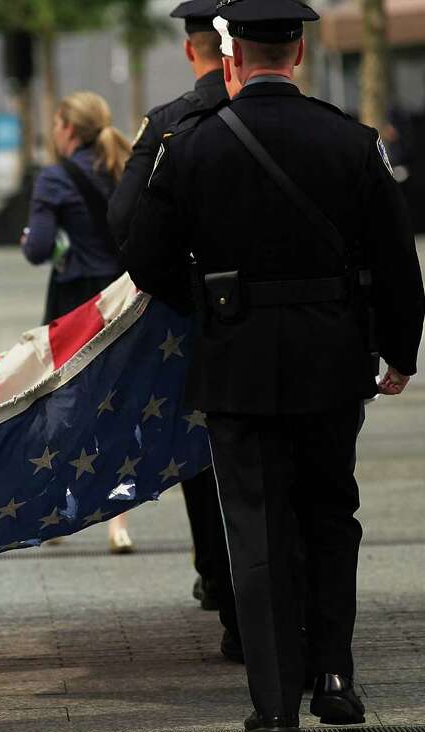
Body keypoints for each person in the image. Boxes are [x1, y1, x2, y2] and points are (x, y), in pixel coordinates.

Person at [124, 0, 425, 732]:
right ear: (296, 55)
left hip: (238, 361)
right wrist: (401, 350)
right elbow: (396, 259)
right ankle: (335, 678)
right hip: (332, 359)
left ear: (232, 57)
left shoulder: (191, 146)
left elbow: (144, 251)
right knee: (330, 516)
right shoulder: (350, 141)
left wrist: (207, 305)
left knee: (254, 528)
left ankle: (274, 703)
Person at [108, 0, 240, 658]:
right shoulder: (325, 127)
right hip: (305, 331)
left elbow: (125, 223)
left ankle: (218, 578)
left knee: (203, 458)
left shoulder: (166, 125)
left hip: (200, 323)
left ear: (192, 51)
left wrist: (177, 293)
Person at [19, 91, 134, 555]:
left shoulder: (54, 180)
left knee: (64, 407)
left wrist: (31, 237)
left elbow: (38, 249)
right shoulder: (127, 166)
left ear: (67, 128)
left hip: (73, 306)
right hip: (124, 299)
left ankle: (59, 515)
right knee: (120, 404)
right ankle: (119, 520)